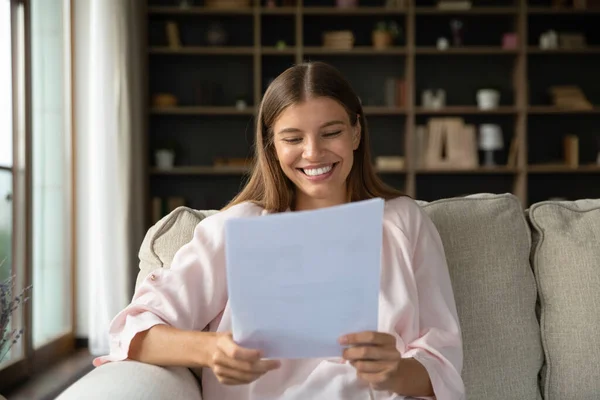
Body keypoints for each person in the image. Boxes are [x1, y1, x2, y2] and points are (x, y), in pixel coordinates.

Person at [93, 61, 465, 400]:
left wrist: (395, 372)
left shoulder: (403, 221)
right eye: (293, 139)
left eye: (331, 132)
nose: (313, 152)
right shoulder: (236, 229)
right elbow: (133, 330)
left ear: (355, 133)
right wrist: (212, 349)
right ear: (272, 146)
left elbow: (442, 361)